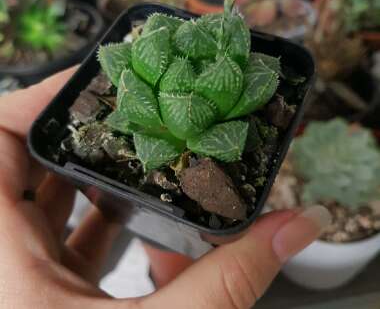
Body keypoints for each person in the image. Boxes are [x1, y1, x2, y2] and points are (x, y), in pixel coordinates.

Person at [0, 68, 331, 309]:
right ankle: (165, 275)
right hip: (148, 166)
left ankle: (166, 275)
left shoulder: (226, 125)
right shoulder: (138, 130)